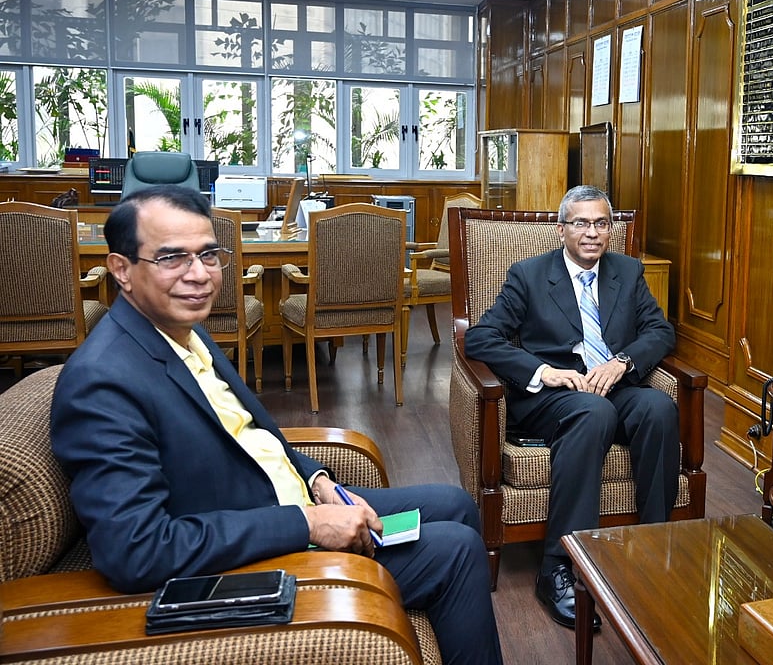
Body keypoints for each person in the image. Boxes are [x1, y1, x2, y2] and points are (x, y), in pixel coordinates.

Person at [50, 185, 502, 665]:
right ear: (122, 269)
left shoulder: (183, 333)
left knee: (454, 504)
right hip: (256, 555)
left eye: (208, 255)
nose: (199, 275)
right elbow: (136, 550)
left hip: (288, 501)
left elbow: (255, 439)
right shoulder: (102, 382)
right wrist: (307, 522)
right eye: (172, 259)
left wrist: (317, 479)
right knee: (456, 551)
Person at [464, 185, 679, 629]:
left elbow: (661, 331)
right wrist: (544, 371)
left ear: (611, 230)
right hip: (554, 396)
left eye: (601, 223)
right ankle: (558, 567)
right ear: (562, 229)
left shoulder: (628, 272)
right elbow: (482, 337)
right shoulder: (528, 274)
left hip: (613, 384)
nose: (592, 233)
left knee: (658, 408)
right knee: (592, 412)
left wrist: (623, 362)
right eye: (580, 223)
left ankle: (653, 546)